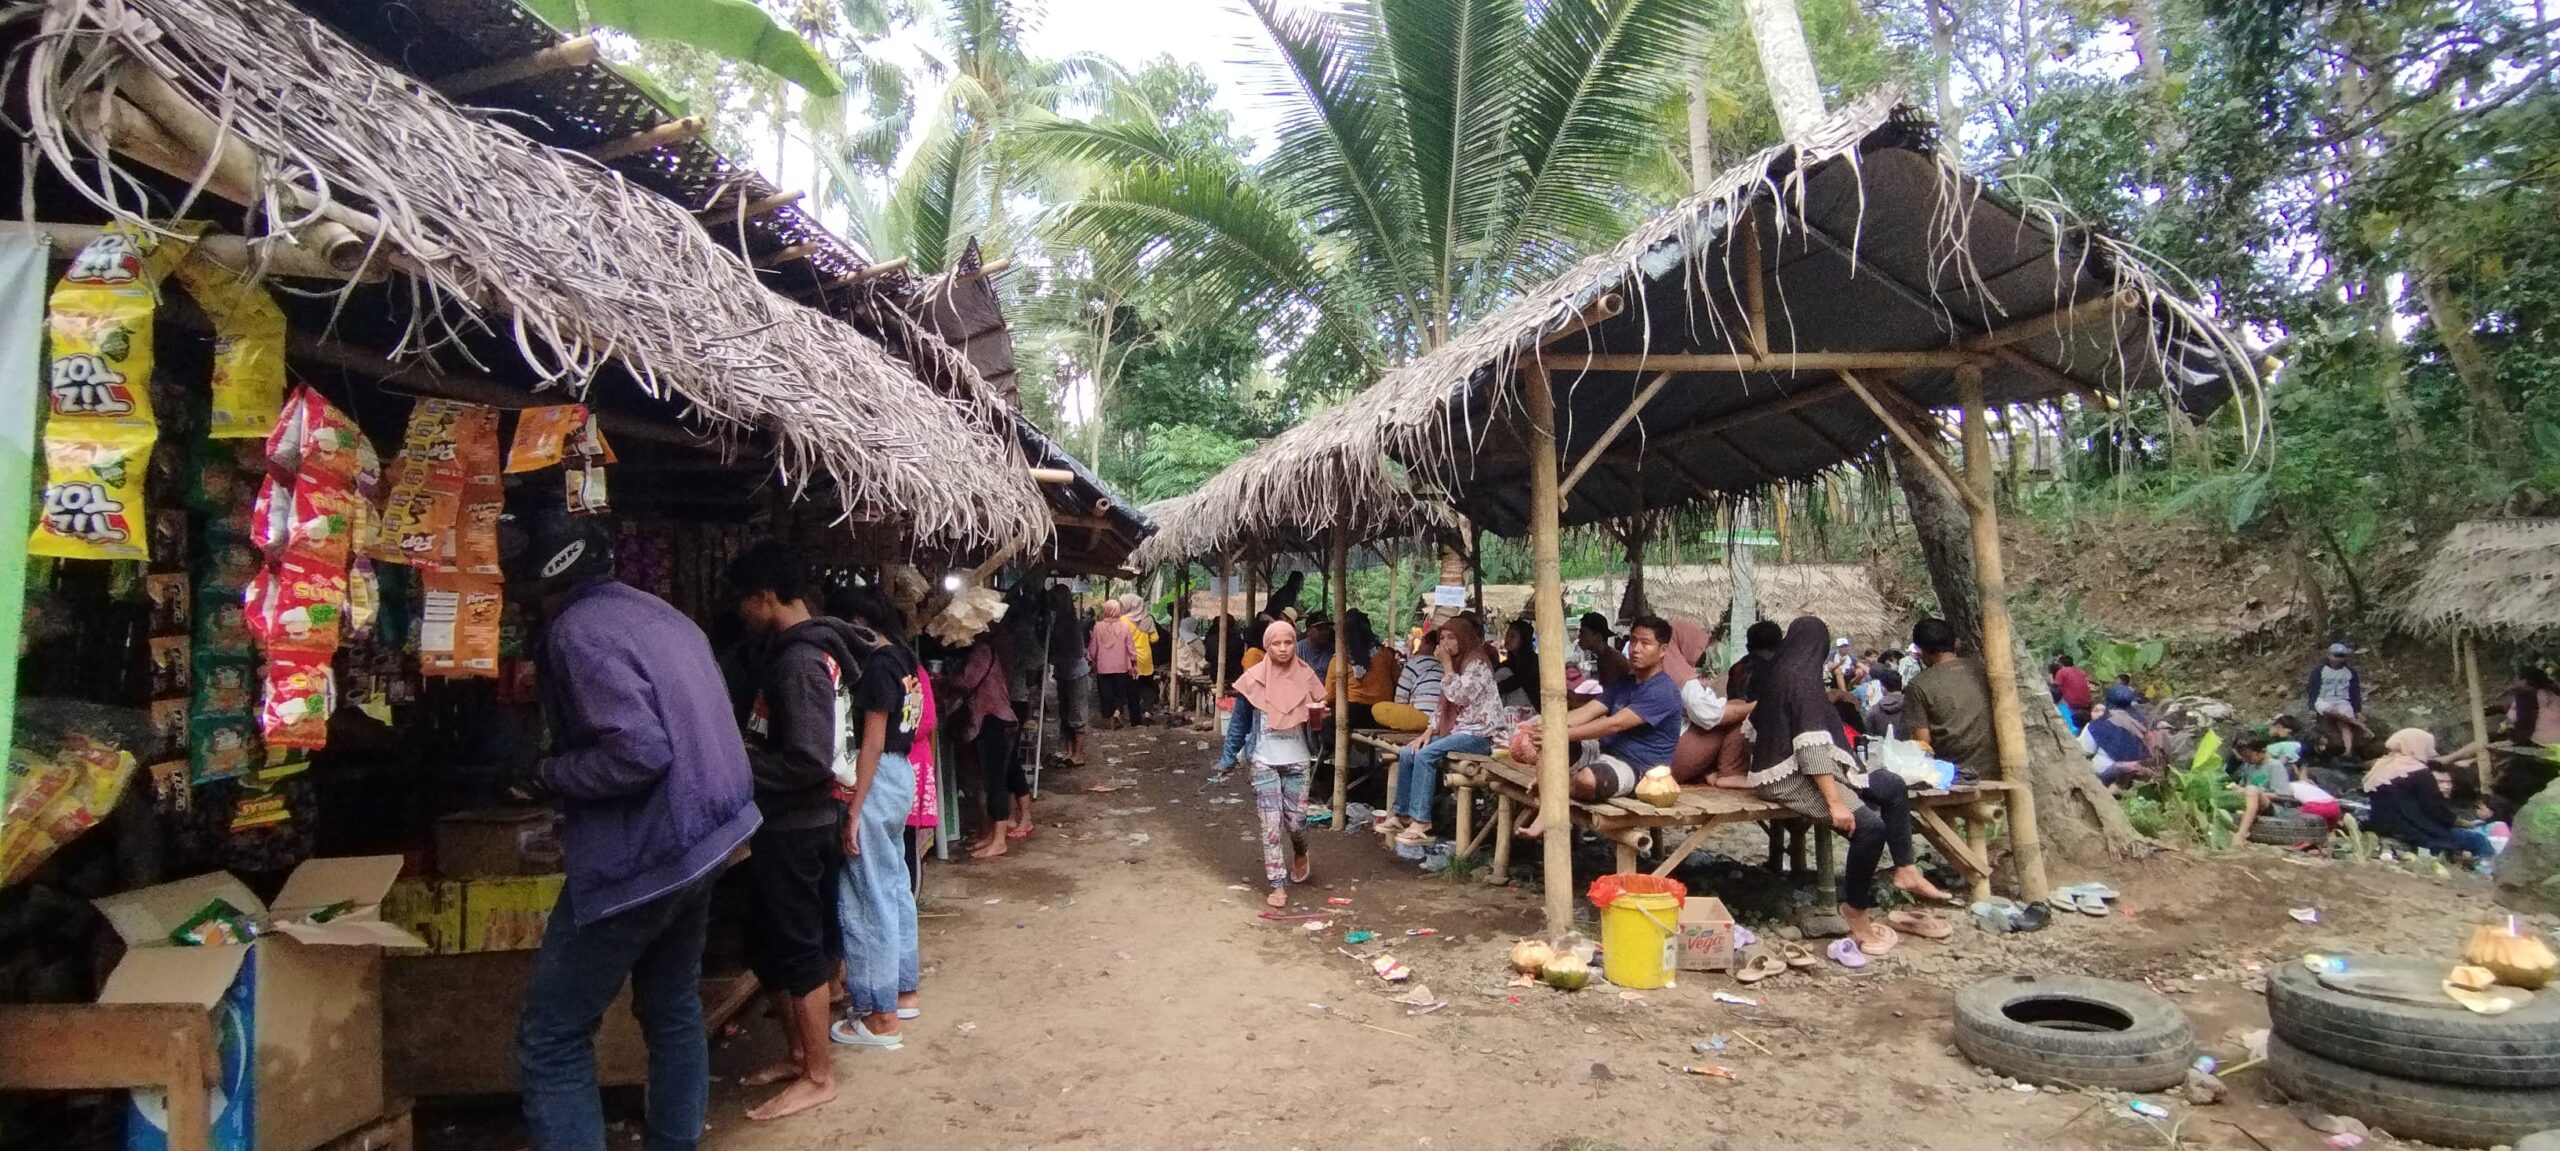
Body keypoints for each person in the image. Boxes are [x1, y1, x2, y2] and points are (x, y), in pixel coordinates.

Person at [502, 507, 759, 1151]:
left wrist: (549, 773)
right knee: (672, 1007)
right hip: (707, 843)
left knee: (554, 1037)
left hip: (646, 854)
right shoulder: (661, 614)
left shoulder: (576, 632)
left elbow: (639, 752)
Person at [725, 542, 861, 1121]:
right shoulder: (794, 653)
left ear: (765, 598)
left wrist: (733, 763)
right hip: (791, 824)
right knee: (778, 942)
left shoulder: (799, 663)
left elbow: (808, 758)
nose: (740, 615)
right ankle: (800, 1052)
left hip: (798, 826)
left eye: (743, 603)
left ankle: (818, 1075)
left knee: (802, 948)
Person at [1744, 616, 1953, 959]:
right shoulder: (1800, 681)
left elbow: (1758, 730)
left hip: (1804, 765)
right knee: (1868, 828)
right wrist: (1836, 802)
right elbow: (1810, 749)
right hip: (1790, 776)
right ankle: (1855, 911)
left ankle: (1906, 869)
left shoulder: (1783, 674)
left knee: (1892, 785)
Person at [823, 585, 925, 1050]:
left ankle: (878, 1015)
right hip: (899, 774)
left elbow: (871, 741)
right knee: (893, 884)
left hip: (877, 775)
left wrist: (855, 808)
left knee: (867, 895)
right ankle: (902, 991)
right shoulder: (904, 659)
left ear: (859, 624)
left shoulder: (879, 665)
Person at [1515, 616, 1687, 838]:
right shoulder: (1624, 683)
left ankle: (1550, 795)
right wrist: (1546, 727)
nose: (1635, 649)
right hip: (1604, 752)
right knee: (1543, 743)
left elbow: (1613, 725)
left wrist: (1557, 735)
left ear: (1662, 650)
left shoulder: (1663, 690)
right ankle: (1550, 804)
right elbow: (1586, 713)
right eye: (1633, 641)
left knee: (1586, 780)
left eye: (1645, 643)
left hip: (1640, 769)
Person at [1383, 618, 1505, 845]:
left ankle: (1422, 822)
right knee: (1408, 752)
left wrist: (1447, 665)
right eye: (1443, 638)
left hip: (1479, 736)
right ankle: (1401, 815)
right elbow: (1443, 703)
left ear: (1464, 638)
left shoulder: (1477, 663)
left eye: (1452, 637)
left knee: (1425, 755)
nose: (1447, 643)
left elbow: (1459, 695)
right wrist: (1428, 731)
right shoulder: (1458, 663)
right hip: (1459, 732)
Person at [1234, 619, 1328, 907]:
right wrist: (1228, 756)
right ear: (1267, 646)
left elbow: (1323, 723)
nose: (1283, 648)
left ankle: (1300, 851)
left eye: (1288, 642)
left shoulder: (1307, 676)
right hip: (1263, 761)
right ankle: (1277, 884)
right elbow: (1239, 722)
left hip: (1298, 761)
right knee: (1270, 824)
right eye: (1276, 643)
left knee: (1296, 822)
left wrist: (1319, 719)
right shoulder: (1253, 678)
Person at [952, 619, 1025, 858]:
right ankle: (992, 835)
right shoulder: (987, 650)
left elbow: (966, 682)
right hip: (999, 719)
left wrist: (946, 680)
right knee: (997, 780)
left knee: (995, 783)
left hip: (993, 721)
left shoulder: (982, 652)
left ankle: (999, 840)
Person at [2366, 728, 2494, 861]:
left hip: (2382, 827)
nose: (2430, 752)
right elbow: (2434, 808)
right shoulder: (2418, 772)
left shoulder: (2380, 767)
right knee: (2477, 839)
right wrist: (2459, 821)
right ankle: (2489, 870)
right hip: (2413, 830)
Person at [1903, 618, 1996, 783]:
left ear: (1923, 650)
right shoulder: (1982, 670)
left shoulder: (1919, 685)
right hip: (1993, 768)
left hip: (1955, 777)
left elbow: (1922, 744)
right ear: (1955, 643)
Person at [1671, 619, 1752, 786]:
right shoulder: (1683, 678)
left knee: (1736, 704)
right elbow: (1708, 715)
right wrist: (1755, 706)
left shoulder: (1661, 668)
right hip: (1673, 756)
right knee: (1743, 714)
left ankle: (1708, 772)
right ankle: (1731, 772)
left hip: (1658, 754)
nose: (1701, 652)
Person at [1330, 609, 1400, 731]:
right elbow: (1398, 681)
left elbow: (1329, 695)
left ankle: (1330, 749)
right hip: (1382, 713)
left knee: (1327, 724)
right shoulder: (1386, 654)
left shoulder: (1340, 659)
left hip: (1353, 714)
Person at [2080, 682, 2159, 788]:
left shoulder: (2096, 726)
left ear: (2107, 702)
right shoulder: (2143, 721)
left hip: (2108, 776)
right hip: (2143, 772)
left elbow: (2084, 751)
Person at [1046, 585, 1090, 766]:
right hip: (1063, 673)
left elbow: (1077, 652)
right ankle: (1069, 751)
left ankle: (1078, 754)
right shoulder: (1056, 621)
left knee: (1077, 713)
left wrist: (1054, 656)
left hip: (1076, 673)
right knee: (1065, 714)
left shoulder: (1071, 624)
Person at [2305, 642, 2368, 755]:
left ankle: (2348, 751)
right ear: (2329, 655)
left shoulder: (2350, 672)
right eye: (2336, 655)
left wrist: (2357, 710)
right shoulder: (2319, 671)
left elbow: (2354, 691)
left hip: (2342, 701)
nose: (2338, 659)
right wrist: (2311, 706)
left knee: (2345, 725)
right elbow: (2313, 689)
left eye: (2341, 656)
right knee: (2329, 711)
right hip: (2324, 699)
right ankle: (2358, 724)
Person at [1087, 599, 1137, 729]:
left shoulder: (1098, 627)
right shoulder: (1125, 627)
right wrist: (1134, 661)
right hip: (1121, 666)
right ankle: (1117, 711)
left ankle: (1110, 718)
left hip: (1104, 667)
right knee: (1120, 693)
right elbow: (1130, 647)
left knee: (1106, 693)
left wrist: (1090, 658)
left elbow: (1093, 647)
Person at [1120, 593, 1159, 726]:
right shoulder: (1147, 618)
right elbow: (1155, 638)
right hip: (1146, 658)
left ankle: (1135, 720)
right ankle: (1148, 712)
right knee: (1147, 686)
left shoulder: (1123, 620)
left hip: (1131, 659)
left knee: (1132, 690)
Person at [1394, 630, 1446, 723]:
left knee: (1378, 708)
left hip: (1419, 716)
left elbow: (1401, 696)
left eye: (1422, 642)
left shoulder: (1414, 663)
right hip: (1441, 720)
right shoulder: (1446, 665)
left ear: (1427, 644)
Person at [1496, 618, 1542, 708]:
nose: (1508, 639)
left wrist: (1493, 689)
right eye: (1507, 635)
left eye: (1512, 636)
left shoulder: (1532, 661)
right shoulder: (1510, 662)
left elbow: (1517, 681)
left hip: (1532, 704)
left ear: (1523, 639)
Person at [1578, 612, 1630, 688]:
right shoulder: (1604, 657)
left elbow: (1611, 694)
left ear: (1598, 636)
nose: (1579, 637)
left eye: (1583, 633)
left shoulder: (1610, 660)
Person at [1862, 668, 1908, 744]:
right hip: (1912, 752)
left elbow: (1868, 736)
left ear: (1883, 688)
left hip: (1884, 753)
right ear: (1901, 686)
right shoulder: (1914, 706)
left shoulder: (1874, 710)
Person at [2051, 655, 2093, 732]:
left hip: (2072, 705)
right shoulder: (2080, 672)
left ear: (2060, 664)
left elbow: (2055, 689)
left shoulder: (2062, 672)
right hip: (2087, 703)